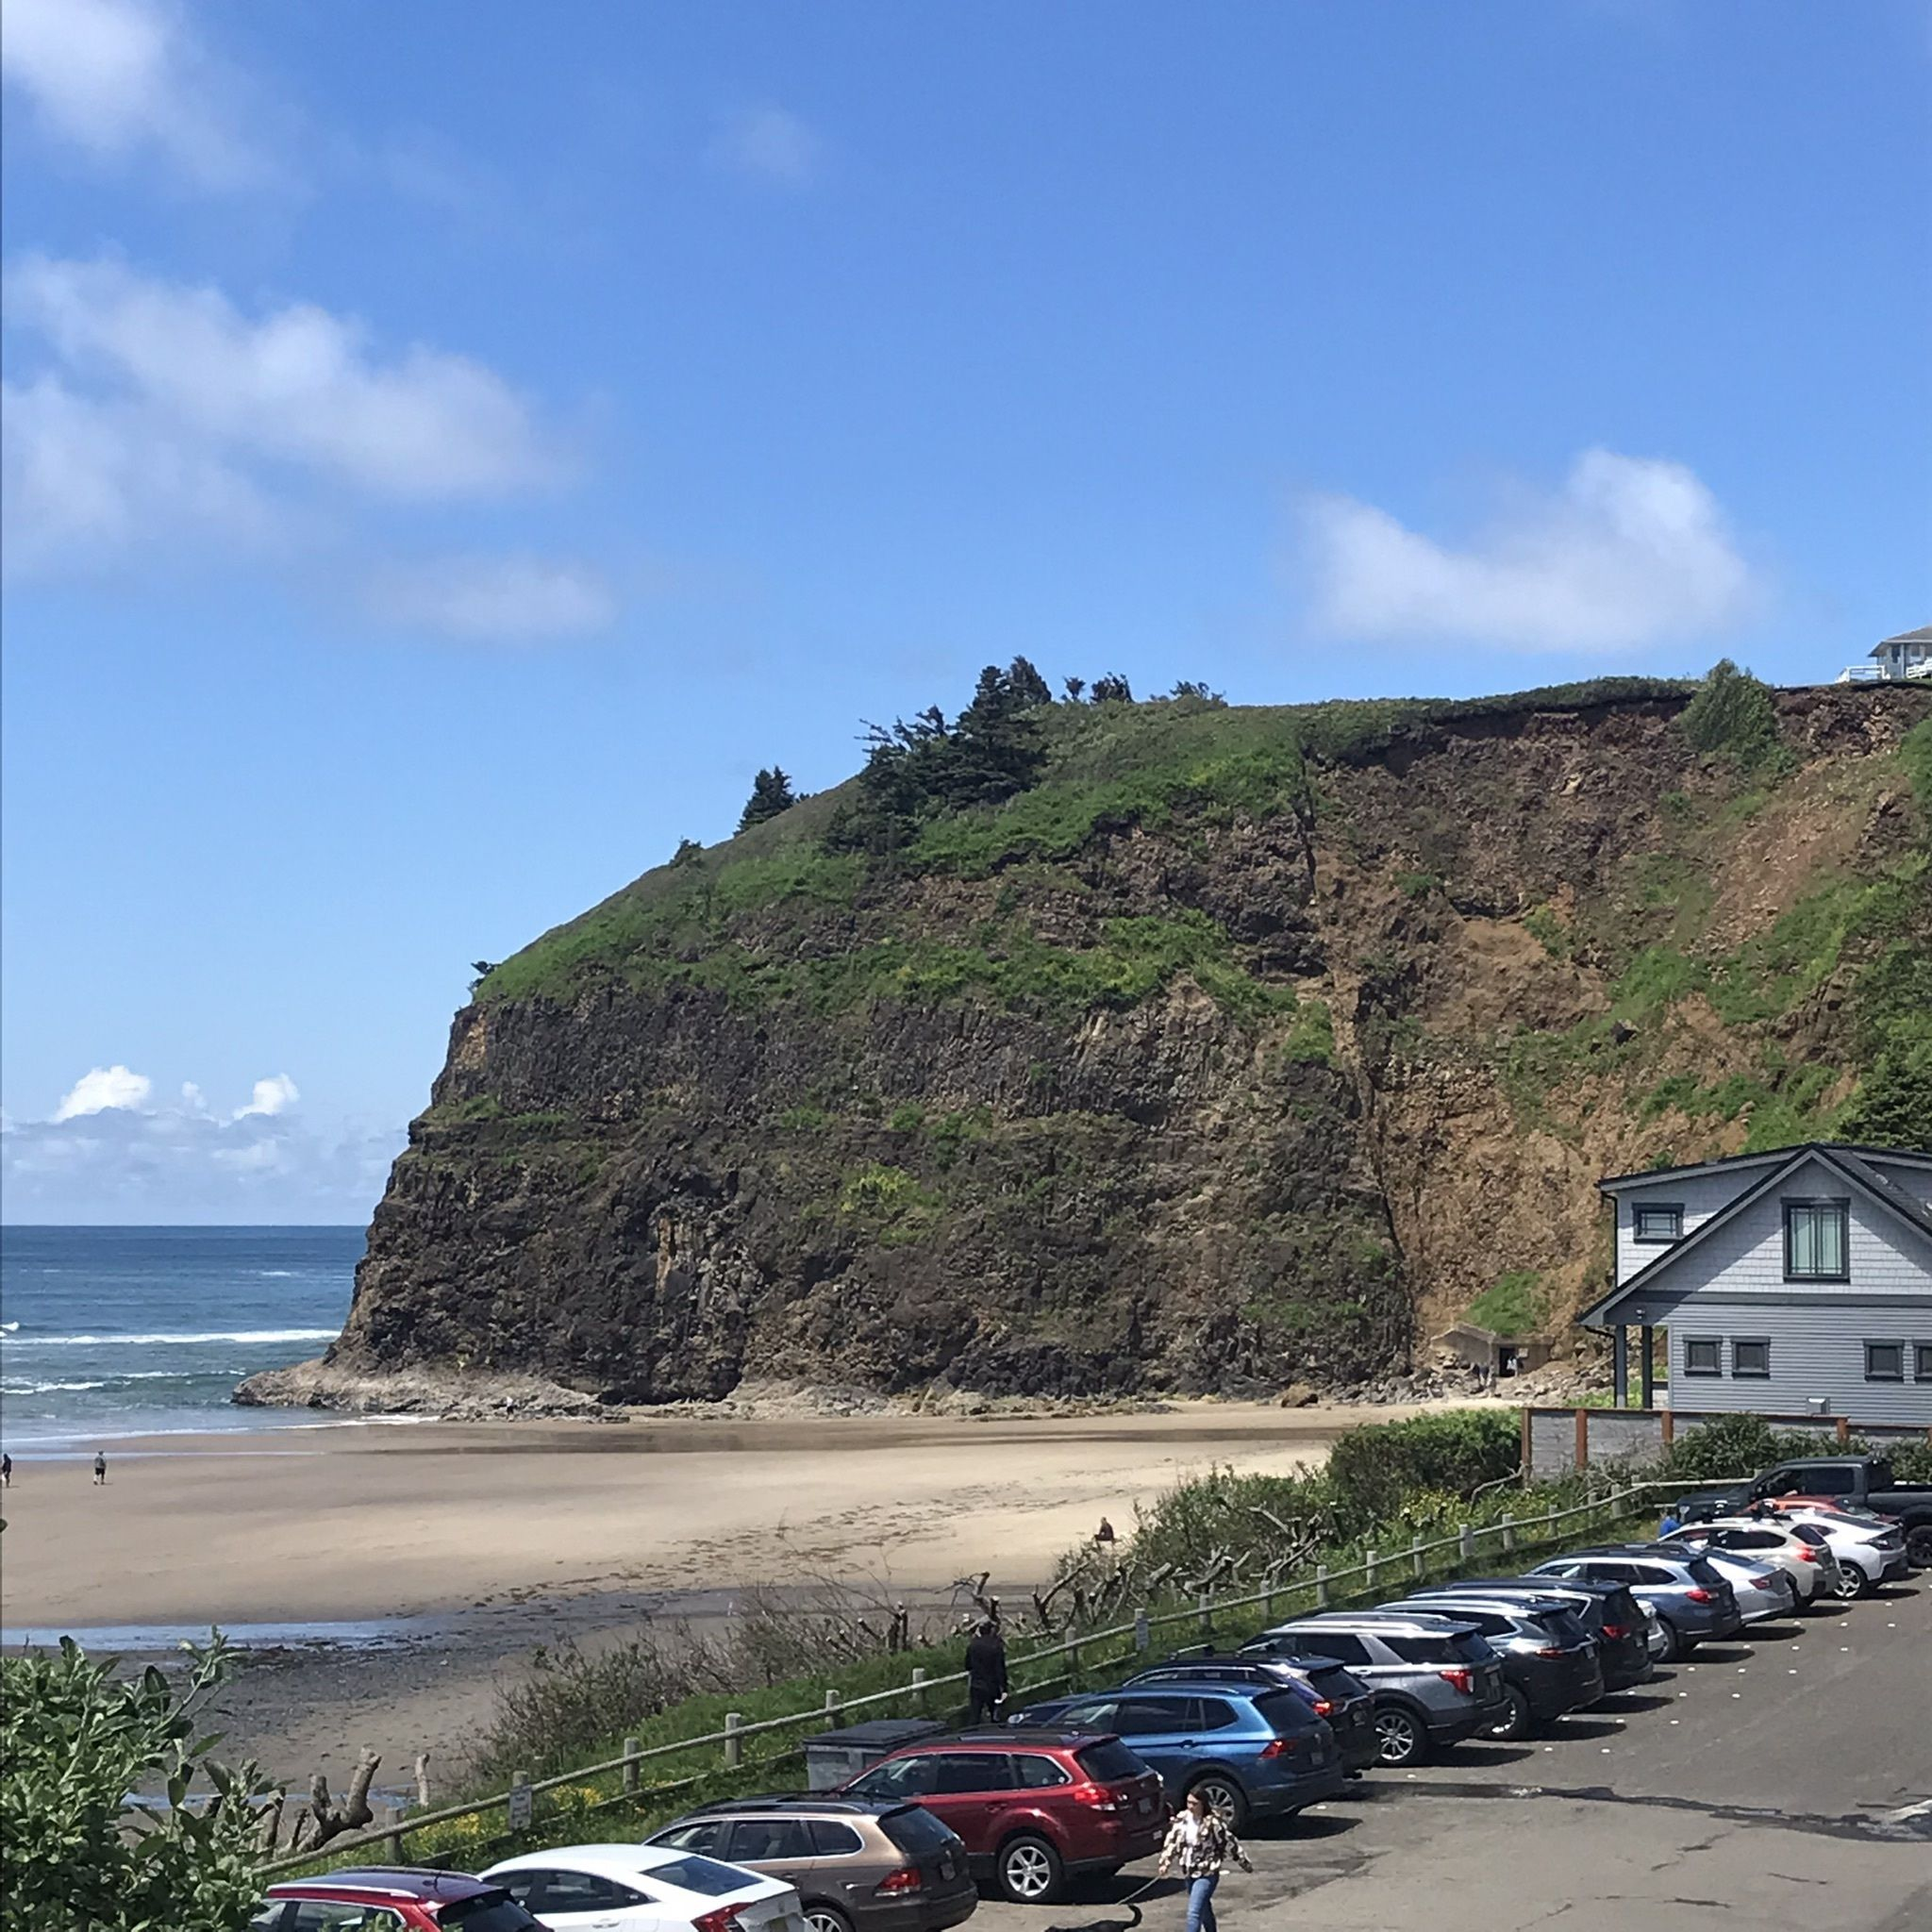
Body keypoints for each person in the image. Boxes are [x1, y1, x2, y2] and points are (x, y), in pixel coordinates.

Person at [1158, 1789, 1252, 1932]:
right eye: (1189, 1803)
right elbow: (1172, 1842)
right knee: (1204, 1910)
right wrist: (1165, 1862)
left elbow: (1229, 1842)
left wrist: (1244, 1862)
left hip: (1207, 1873)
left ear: (1203, 1804)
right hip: (1189, 1873)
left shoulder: (1212, 1823)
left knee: (1193, 1912)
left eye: (1194, 1804)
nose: (1190, 1807)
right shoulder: (1183, 1820)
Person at [964, 1618, 1008, 1725]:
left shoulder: (973, 1645)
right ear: (991, 1630)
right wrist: (1004, 1688)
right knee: (995, 1714)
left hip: (976, 1685)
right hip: (992, 1685)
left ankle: (971, 1735)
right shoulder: (996, 1646)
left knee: (975, 1714)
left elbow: (967, 1665)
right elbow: (1000, 1668)